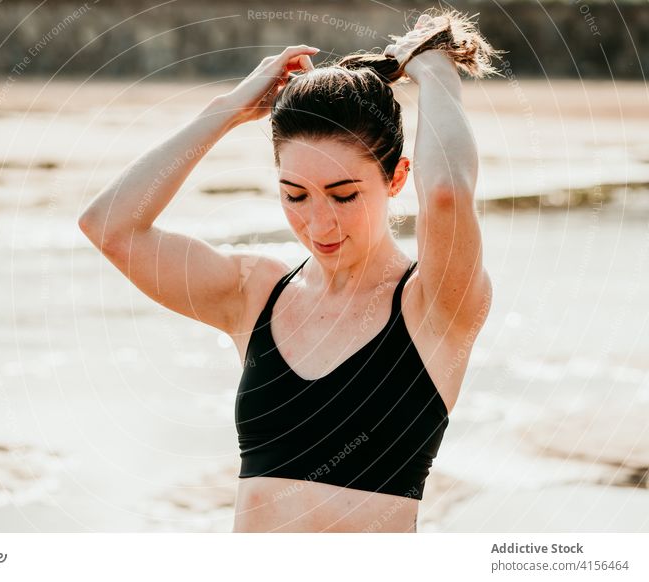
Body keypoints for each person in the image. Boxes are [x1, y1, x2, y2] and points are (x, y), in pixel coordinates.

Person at [78, 8, 500, 532]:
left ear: (396, 179)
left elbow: (446, 194)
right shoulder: (254, 295)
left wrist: (435, 70)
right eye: (295, 194)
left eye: (344, 195)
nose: (319, 222)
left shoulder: (432, 306)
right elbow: (110, 228)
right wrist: (229, 109)